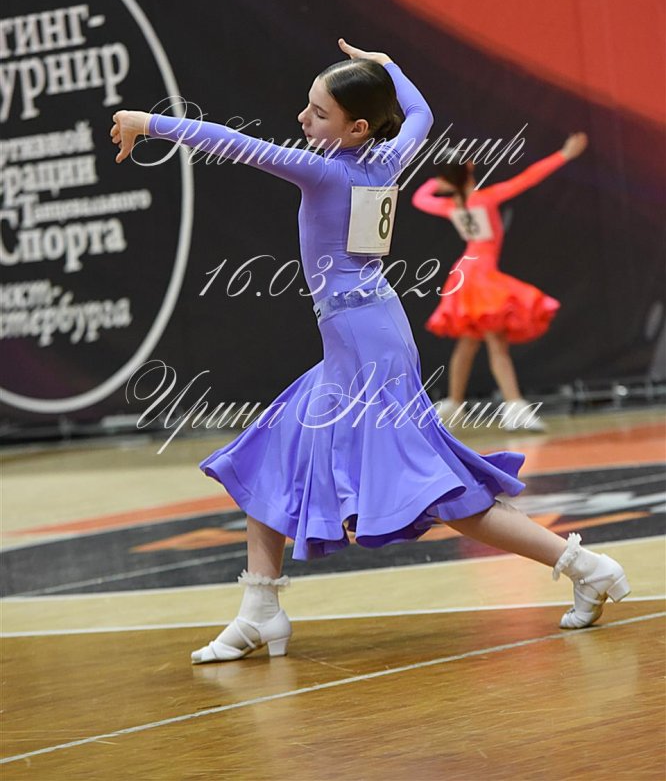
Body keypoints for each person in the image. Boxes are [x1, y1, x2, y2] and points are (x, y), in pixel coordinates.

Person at [111, 40, 628, 663]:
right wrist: (388, 66)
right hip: (367, 332)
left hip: (363, 342)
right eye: (307, 106)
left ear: (356, 128)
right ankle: (260, 610)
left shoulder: (325, 170)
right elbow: (421, 115)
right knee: (274, 450)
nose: (303, 119)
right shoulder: (387, 158)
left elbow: (233, 142)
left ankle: (585, 566)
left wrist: (147, 122)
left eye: (319, 113)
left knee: (432, 489)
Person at [411, 136, 588, 431]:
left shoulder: (451, 204)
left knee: (469, 342)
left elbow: (419, 198)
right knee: (495, 342)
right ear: (470, 166)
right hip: (481, 276)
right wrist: (563, 155)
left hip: (465, 273)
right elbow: (526, 178)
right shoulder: (485, 198)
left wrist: (440, 183)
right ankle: (514, 405)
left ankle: (455, 404)